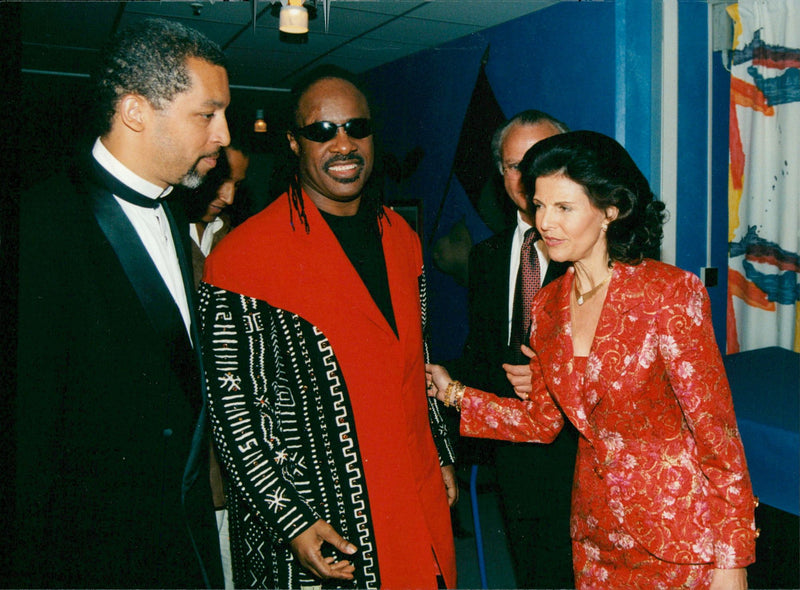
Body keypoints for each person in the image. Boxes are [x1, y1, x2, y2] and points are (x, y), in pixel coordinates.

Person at [427, 131, 758, 589]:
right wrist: (454, 393)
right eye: (540, 206)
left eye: (564, 208)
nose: (545, 222)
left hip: (681, 537)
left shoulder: (667, 295)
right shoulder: (547, 307)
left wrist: (732, 558)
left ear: (610, 211)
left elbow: (718, 437)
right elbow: (540, 422)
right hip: (594, 536)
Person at [199, 65, 457, 589]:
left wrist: (443, 454)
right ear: (294, 143)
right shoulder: (242, 256)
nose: (343, 144)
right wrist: (291, 521)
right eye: (322, 131)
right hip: (322, 514)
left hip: (415, 494)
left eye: (356, 128)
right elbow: (234, 412)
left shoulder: (401, 236)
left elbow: (417, 359)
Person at [15, 18, 230, 588]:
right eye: (207, 115)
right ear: (135, 112)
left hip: (182, 545)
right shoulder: (40, 225)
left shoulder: (176, 209)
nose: (224, 134)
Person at [444, 110, 576, 588]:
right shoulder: (487, 256)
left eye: (539, 159)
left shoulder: (596, 257)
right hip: (512, 458)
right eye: (512, 164)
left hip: (580, 461)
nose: (524, 176)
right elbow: (480, 354)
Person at [185, 143, 251, 289]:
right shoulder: (166, 229)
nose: (229, 198)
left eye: (237, 185)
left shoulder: (236, 236)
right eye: (221, 181)